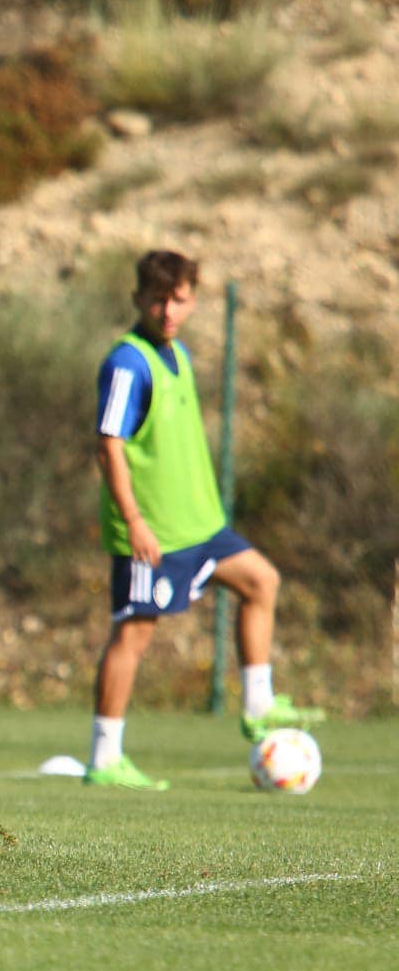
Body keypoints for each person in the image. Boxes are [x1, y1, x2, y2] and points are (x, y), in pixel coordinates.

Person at [84, 250, 324, 790]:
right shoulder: (127, 362)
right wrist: (135, 521)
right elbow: (108, 446)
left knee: (262, 580)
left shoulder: (180, 355)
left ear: (193, 300)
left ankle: (258, 704)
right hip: (152, 532)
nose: (168, 310)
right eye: (157, 299)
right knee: (133, 636)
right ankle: (104, 760)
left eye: (179, 299)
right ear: (138, 298)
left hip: (200, 526)